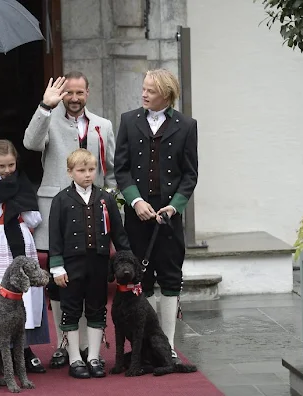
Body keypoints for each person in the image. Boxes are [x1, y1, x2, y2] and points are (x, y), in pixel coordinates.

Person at [23, 71, 116, 369]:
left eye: (79, 93)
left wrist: (113, 204)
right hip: (55, 206)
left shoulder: (103, 125)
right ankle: (65, 342)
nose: (74, 98)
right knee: (59, 279)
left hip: (93, 210)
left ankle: (88, 344)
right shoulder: (48, 118)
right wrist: (44, 107)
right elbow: (30, 143)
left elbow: (110, 169)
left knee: (89, 277)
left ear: (88, 93)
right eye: (69, 93)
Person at [114, 68, 198, 362]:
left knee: (171, 277)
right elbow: (121, 168)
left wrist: (175, 206)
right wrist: (135, 201)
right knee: (142, 277)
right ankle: (148, 343)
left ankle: (169, 344)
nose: (144, 93)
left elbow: (190, 174)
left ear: (166, 94)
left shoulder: (187, 125)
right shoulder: (128, 120)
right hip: (138, 214)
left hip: (169, 215)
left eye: (150, 90)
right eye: (144, 88)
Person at [48, 149, 131, 379]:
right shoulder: (61, 200)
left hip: (98, 263)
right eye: (81, 170)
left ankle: (93, 356)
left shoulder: (106, 198)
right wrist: (57, 267)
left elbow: (119, 235)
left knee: (96, 308)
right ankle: (75, 357)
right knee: (71, 309)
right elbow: (54, 237)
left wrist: (128, 261)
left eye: (91, 170)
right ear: (70, 172)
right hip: (71, 265)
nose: (87, 175)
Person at [0, 139, 50, 374]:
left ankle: (25, 351)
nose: (7, 171)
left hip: (20, 237)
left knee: (25, 294)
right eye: (1, 166)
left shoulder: (23, 181)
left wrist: (14, 206)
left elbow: (35, 218)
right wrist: (7, 202)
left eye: (11, 165)